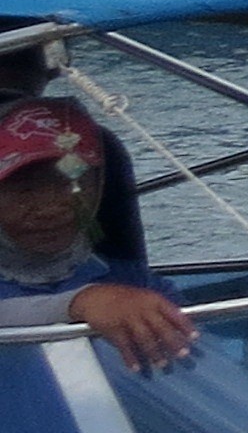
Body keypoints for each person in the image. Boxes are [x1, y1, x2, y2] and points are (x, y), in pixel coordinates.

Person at [0, 96, 193, 369]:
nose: (50, 208)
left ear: (100, 187)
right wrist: (81, 303)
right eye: (25, 190)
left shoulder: (130, 282)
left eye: (72, 183)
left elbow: (188, 335)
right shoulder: (111, 295)